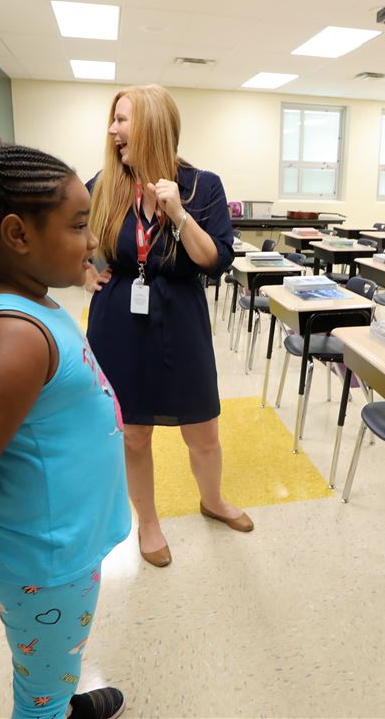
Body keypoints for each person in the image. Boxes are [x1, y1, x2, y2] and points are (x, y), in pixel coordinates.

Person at [0, 119, 130, 719]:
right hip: (45, 557)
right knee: (39, 687)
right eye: (78, 225)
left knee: (52, 660)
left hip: (55, 545)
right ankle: (49, 709)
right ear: (17, 233)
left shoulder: (18, 293)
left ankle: (59, 697)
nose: (91, 241)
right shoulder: (14, 338)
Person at [85, 84, 250, 568]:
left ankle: (212, 500)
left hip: (181, 317)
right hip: (119, 321)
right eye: (113, 120)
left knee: (204, 432)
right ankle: (149, 523)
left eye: (123, 120)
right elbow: (73, 234)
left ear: (154, 126)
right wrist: (83, 271)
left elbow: (214, 261)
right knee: (134, 434)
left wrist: (177, 212)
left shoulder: (203, 186)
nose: (113, 130)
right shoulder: (104, 183)